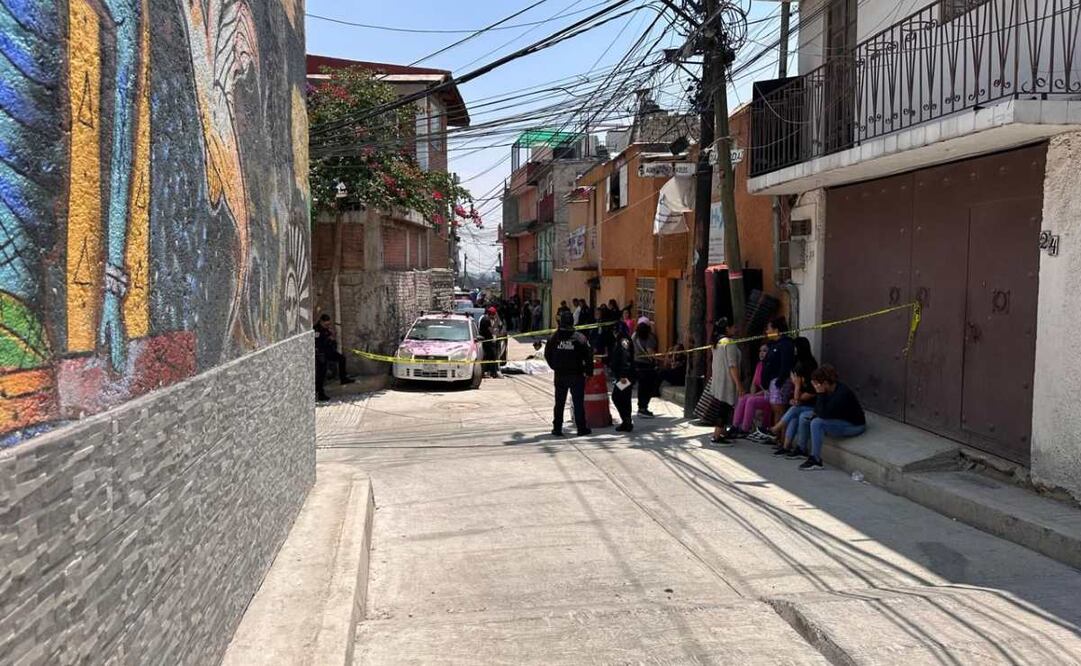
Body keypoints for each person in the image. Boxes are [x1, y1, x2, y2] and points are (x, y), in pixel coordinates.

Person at [797, 365, 867, 471]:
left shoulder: (841, 393)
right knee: (804, 416)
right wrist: (816, 408)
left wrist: (820, 394)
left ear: (825, 383)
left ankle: (816, 460)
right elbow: (818, 410)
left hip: (853, 426)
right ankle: (801, 450)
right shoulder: (827, 390)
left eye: (817, 384)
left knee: (817, 423)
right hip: (837, 418)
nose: (815, 387)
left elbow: (824, 414)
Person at [544, 310, 594, 437]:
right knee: (578, 403)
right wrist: (589, 372)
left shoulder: (554, 337)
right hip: (576, 375)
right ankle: (581, 428)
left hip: (560, 375)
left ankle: (557, 428)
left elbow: (547, 355)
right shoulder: (580, 338)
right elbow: (589, 356)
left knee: (559, 403)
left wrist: (555, 367)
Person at [767, 337, 819, 456]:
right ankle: (786, 446)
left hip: (812, 405)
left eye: (795, 347)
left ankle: (775, 430)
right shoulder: (800, 363)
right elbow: (797, 396)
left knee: (795, 411)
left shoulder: (808, 366)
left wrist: (797, 387)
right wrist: (796, 398)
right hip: (802, 404)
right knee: (794, 415)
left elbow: (809, 393)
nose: (793, 350)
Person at [708, 318, 743, 445]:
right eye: (734, 327)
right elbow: (732, 365)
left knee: (722, 407)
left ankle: (722, 432)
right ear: (727, 328)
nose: (736, 329)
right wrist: (739, 384)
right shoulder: (729, 342)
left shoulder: (717, 342)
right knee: (724, 409)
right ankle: (717, 436)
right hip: (727, 381)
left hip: (718, 379)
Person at [760, 317, 796, 429]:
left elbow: (786, 364)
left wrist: (779, 382)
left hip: (779, 382)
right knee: (775, 410)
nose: (767, 331)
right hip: (771, 382)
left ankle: (780, 436)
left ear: (776, 330)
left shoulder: (786, 344)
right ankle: (776, 436)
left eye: (769, 328)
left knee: (779, 410)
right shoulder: (772, 344)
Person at [729, 344, 773, 436]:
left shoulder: (771, 366)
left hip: (769, 396)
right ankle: (735, 426)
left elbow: (769, 389)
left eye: (764, 351)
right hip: (760, 394)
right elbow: (753, 383)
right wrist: (753, 394)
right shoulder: (759, 365)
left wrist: (754, 395)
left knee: (751, 400)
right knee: (743, 398)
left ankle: (745, 429)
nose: (761, 353)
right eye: (760, 351)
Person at [315, 315, 354, 401]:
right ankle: (320, 393)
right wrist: (327, 338)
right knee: (321, 374)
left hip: (329, 351)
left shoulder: (325, 329)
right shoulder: (316, 330)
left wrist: (331, 336)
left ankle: (343, 378)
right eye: (326, 324)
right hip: (321, 354)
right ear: (321, 322)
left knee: (342, 359)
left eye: (329, 324)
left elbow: (330, 336)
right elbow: (318, 343)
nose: (327, 326)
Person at [607, 321, 636, 432]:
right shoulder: (621, 340)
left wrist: (623, 374)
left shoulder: (624, 341)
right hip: (624, 375)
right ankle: (626, 422)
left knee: (617, 396)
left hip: (625, 376)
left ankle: (626, 420)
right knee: (624, 398)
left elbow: (626, 357)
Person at [632, 317, 659, 418]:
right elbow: (650, 353)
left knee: (641, 387)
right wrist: (662, 359)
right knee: (647, 388)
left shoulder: (634, 336)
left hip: (635, 364)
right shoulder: (649, 337)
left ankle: (641, 408)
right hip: (646, 366)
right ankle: (643, 408)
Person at [479, 307, 502, 379]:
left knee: (489, 357)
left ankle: (489, 372)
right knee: (491, 356)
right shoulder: (486, 320)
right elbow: (490, 331)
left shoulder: (484, 318)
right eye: (493, 315)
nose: (494, 316)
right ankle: (492, 373)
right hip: (487, 342)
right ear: (491, 314)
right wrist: (495, 333)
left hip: (487, 341)